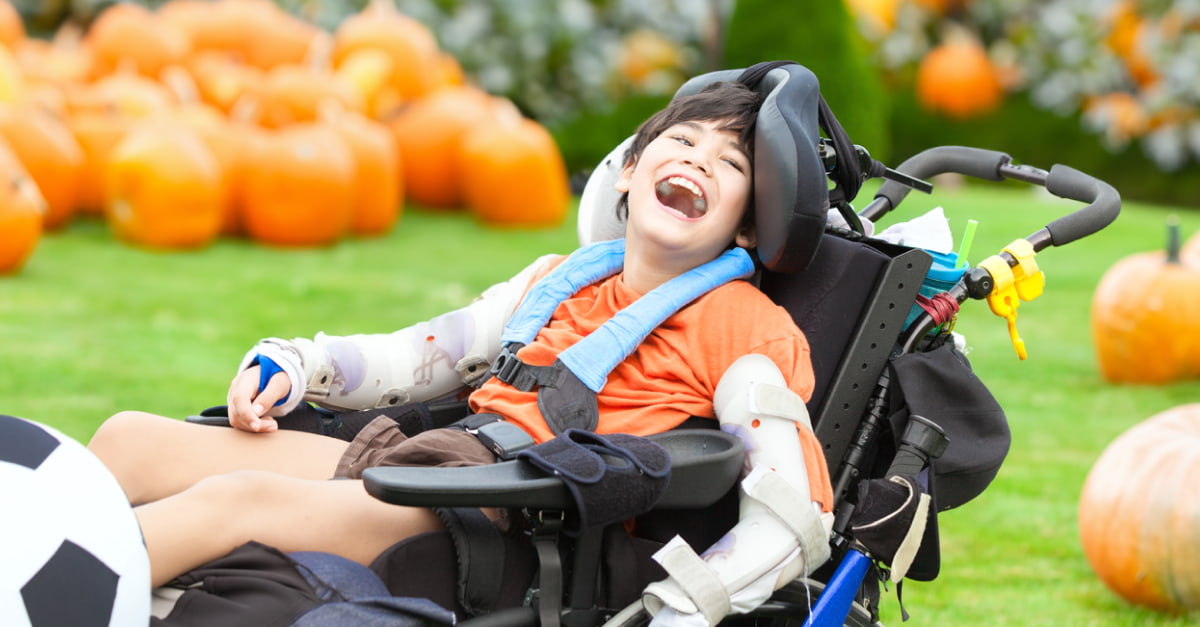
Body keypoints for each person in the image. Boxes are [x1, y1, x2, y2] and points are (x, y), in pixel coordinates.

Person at [86, 79, 833, 599]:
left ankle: (42, 594)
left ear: (745, 223)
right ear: (630, 173)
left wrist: (691, 598)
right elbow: (417, 356)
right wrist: (299, 361)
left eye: (730, 163)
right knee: (130, 440)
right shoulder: (558, 278)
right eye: (684, 139)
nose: (700, 158)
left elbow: (795, 509)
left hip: (517, 524)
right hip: (438, 465)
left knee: (234, 500)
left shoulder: (745, 322)